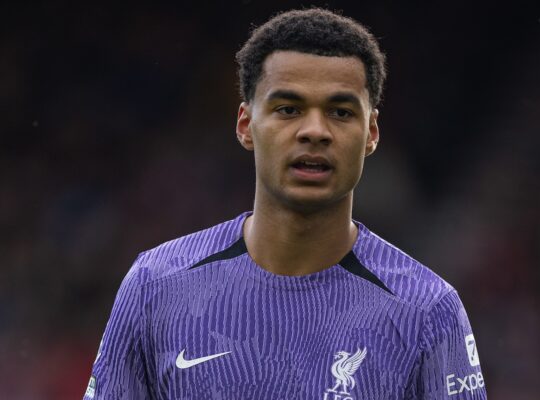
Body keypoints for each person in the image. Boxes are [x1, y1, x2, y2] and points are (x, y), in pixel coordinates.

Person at [84, 8, 486, 399]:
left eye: (341, 112)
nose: (314, 131)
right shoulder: (156, 285)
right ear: (246, 125)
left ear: (371, 133)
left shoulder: (428, 310)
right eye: (289, 109)